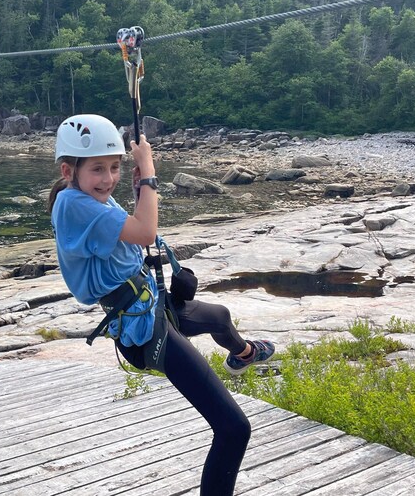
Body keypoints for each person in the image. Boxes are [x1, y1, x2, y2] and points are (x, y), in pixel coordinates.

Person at [48, 113, 276, 495]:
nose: (108, 178)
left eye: (115, 167)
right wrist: (149, 170)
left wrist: (139, 187)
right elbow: (146, 232)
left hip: (149, 305)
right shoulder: (74, 206)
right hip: (143, 330)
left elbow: (133, 229)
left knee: (219, 317)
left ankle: (244, 355)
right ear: (69, 171)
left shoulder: (86, 198)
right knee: (234, 428)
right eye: (98, 169)